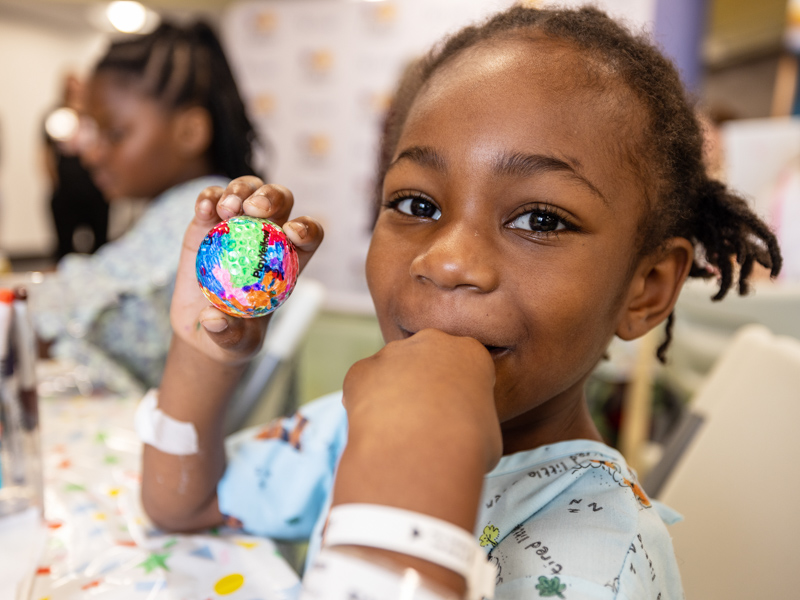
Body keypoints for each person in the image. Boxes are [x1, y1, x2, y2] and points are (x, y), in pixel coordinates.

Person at [138, 6, 781, 599]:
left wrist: (418, 452)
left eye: (542, 219)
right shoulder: (354, 421)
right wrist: (202, 350)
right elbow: (185, 505)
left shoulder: (606, 563)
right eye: (417, 205)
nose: (445, 261)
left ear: (646, 288)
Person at [29, 21, 261, 394]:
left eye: (115, 134)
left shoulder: (203, 212)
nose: (91, 153)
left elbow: (82, 313)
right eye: (91, 132)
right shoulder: (184, 206)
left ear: (190, 132)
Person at [43, 74, 110, 260]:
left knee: (100, 245)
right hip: (66, 191)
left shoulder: (95, 115)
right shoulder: (55, 116)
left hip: (94, 191)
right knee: (63, 247)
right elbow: (45, 154)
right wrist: (55, 183)